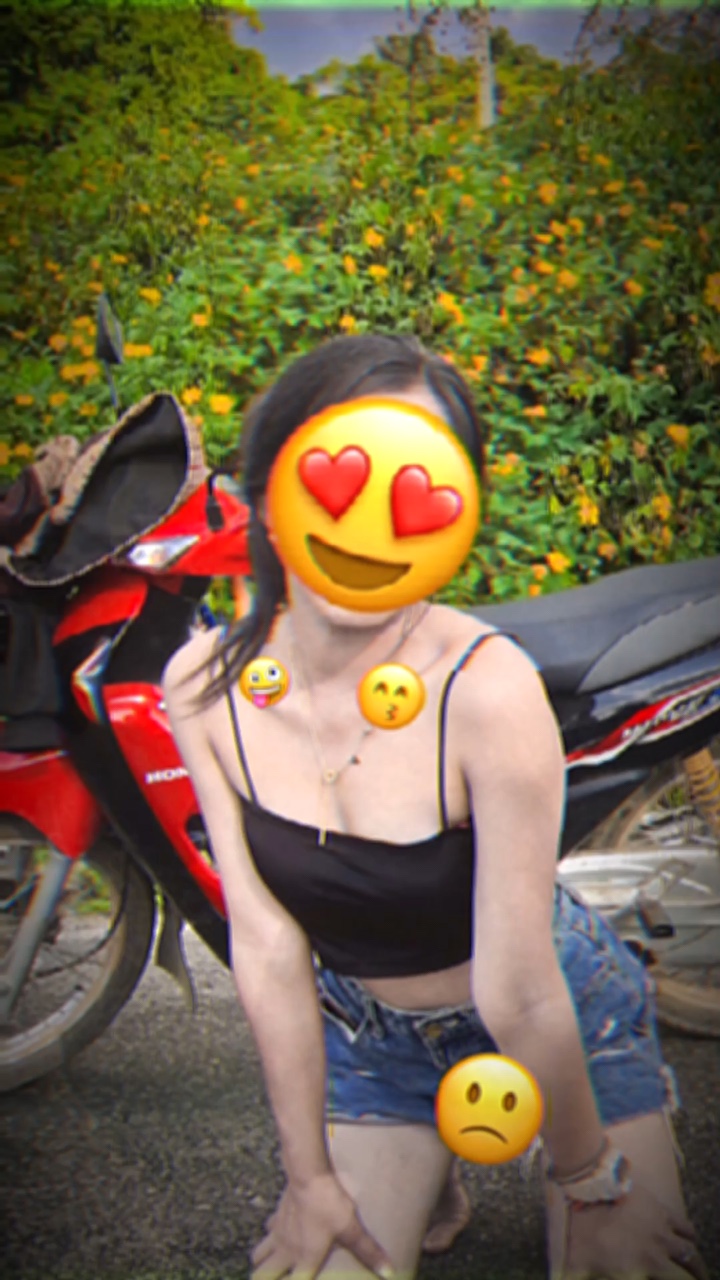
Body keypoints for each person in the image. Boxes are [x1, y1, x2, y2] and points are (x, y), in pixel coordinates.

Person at [162, 334, 707, 1280]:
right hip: (373, 1039)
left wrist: (589, 1178)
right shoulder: (203, 686)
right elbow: (267, 945)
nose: (378, 516)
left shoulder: (487, 691)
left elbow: (520, 988)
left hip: (561, 1013)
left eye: (420, 479)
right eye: (345, 469)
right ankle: (425, 1166)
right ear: (270, 495)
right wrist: (309, 1178)